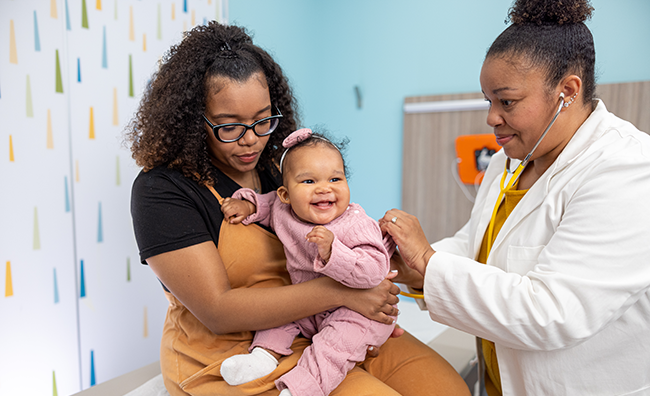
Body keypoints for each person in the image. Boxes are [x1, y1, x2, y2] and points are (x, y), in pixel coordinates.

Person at [126, 22, 470, 396]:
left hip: (316, 327)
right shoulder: (162, 190)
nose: (252, 140)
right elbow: (218, 310)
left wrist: (371, 307)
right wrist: (346, 294)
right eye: (230, 127)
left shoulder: (281, 172)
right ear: (194, 122)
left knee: (449, 389)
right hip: (229, 354)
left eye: (263, 120)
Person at [380, 0, 650, 395]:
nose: (491, 117)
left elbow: (554, 313)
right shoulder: (510, 161)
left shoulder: (626, 169)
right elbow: (477, 245)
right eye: (488, 100)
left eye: (506, 101)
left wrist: (429, 263)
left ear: (567, 91)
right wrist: (409, 266)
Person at [219, 128, 396, 396]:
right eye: (309, 182)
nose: (325, 188)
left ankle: (302, 388)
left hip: (355, 310)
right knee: (276, 313)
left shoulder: (355, 224)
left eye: (335, 178)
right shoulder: (283, 211)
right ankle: (262, 357)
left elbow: (374, 271)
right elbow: (267, 205)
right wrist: (249, 207)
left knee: (334, 345)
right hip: (307, 306)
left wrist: (334, 252)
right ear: (286, 195)